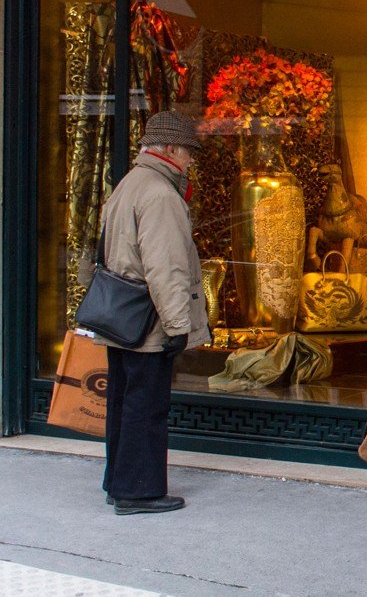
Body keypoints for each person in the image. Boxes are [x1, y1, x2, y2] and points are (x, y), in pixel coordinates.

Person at [98, 110, 211, 514]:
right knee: (147, 407)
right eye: (188, 151)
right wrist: (178, 325)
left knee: (124, 402)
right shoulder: (161, 194)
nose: (192, 160)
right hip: (149, 323)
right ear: (169, 149)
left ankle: (119, 483)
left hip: (122, 319)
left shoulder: (130, 183)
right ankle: (139, 492)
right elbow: (166, 267)